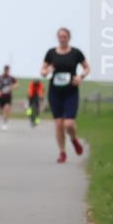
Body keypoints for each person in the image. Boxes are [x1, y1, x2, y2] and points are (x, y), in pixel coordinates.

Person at [41, 27, 90, 163]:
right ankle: (62, 152)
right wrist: (48, 70)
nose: (62, 39)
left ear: (69, 37)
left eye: (65, 36)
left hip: (71, 91)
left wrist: (81, 77)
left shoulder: (76, 53)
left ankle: (74, 140)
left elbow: (87, 68)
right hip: (55, 92)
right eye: (60, 36)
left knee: (68, 124)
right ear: (57, 38)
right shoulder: (51, 53)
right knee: (58, 124)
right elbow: (43, 71)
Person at [0, 65, 19, 130]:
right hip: (1, 95)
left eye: (7, 70)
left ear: (9, 70)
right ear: (4, 70)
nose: (6, 71)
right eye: (5, 70)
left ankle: (5, 123)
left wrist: (12, 87)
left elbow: (17, 84)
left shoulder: (11, 78)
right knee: (1, 110)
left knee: (7, 109)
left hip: (8, 96)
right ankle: (2, 116)